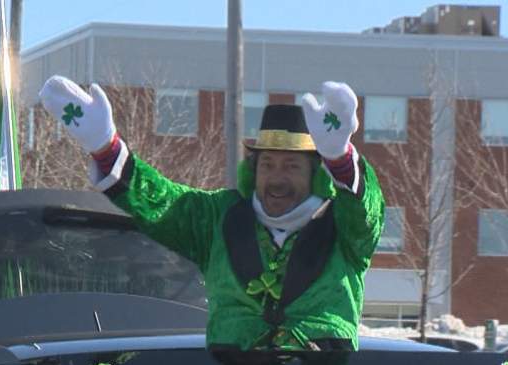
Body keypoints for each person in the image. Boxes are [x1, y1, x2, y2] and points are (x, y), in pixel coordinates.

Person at [38, 77, 384, 351]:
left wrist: (340, 158)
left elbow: (366, 214)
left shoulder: (342, 224)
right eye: (268, 164)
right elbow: (161, 201)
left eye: (291, 166)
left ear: (315, 173)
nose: (277, 178)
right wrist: (106, 147)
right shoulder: (217, 217)